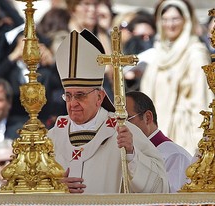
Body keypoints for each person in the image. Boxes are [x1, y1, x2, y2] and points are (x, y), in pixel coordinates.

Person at [47, 29, 169, 194]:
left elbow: (159, 187)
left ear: (99, 97)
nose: (73, 103)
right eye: (68, 96)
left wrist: (132, 154)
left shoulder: (123, 131)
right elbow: (25, 188)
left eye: (80, 95)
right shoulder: (52, 137)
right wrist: (54, 186)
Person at [140, 0, 213, 156]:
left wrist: (201, 146)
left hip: (183, 135)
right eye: (165, 19)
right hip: (155, 132)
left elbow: (201, 102)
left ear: (186, 20)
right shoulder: (158, 53)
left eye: (175, 19)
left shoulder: (195, 53)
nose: (170, 24)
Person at [126, 91, 192, 193]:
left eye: (126, 120)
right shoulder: (126, 153)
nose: (121, 126)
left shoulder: (175, 156)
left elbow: (174, 204)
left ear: (147, 118)